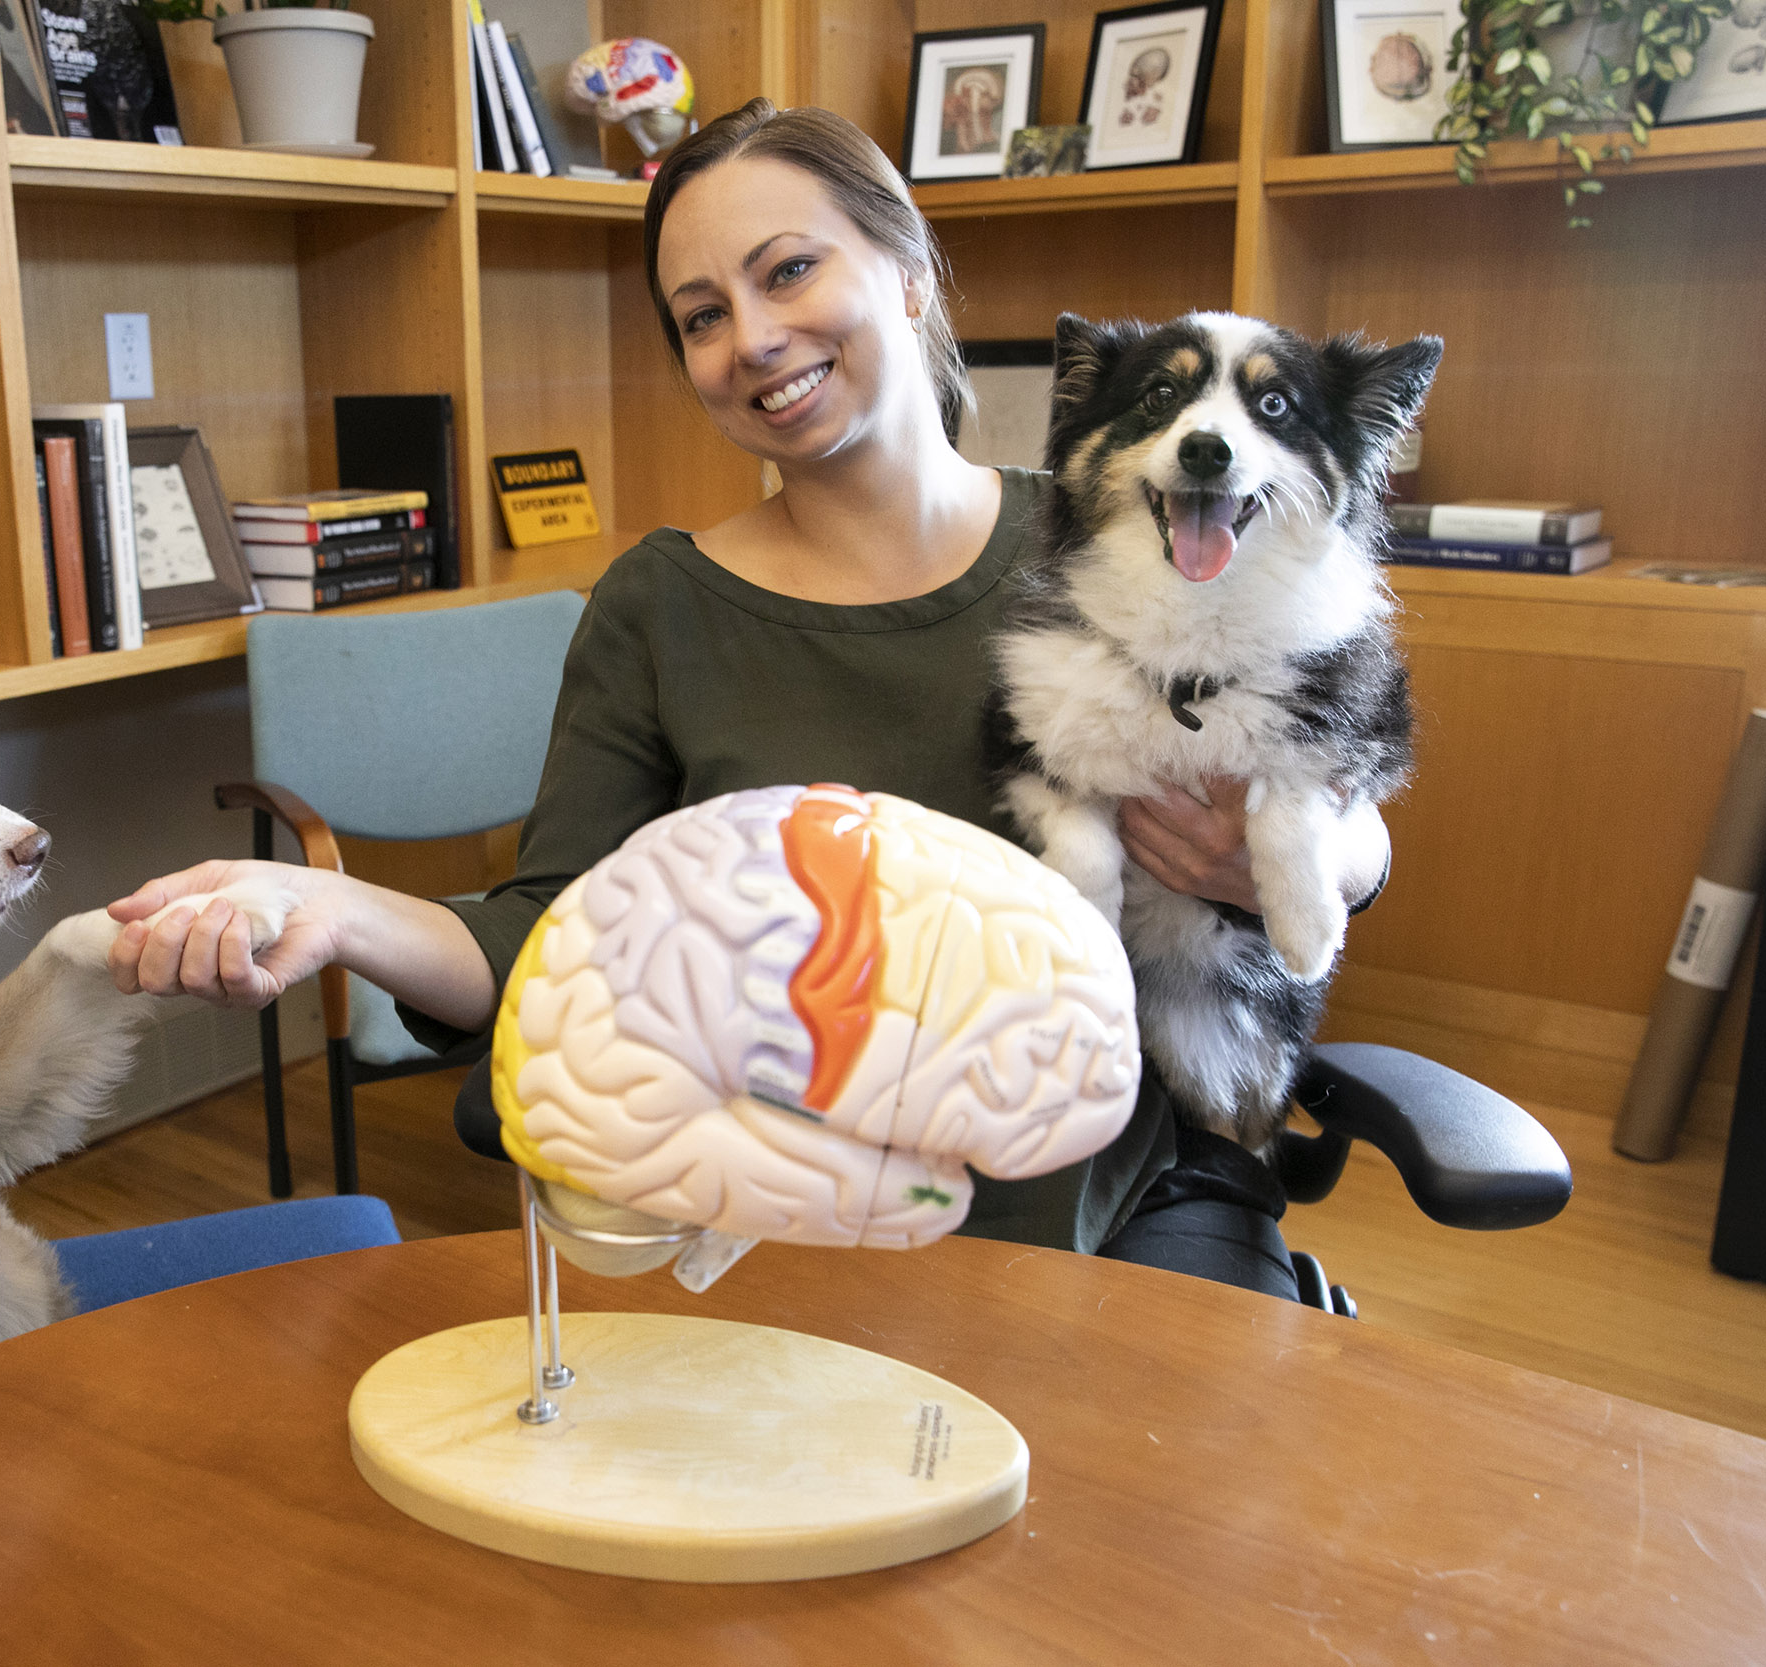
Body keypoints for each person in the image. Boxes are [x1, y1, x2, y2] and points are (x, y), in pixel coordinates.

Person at [103, 100, 1391, 1298]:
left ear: (906, 267)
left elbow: (1326, 767)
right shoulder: (661, 608)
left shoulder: (1127, 534)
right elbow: (557, 930)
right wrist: (334, 907)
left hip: (1120, 1197)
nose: (753, 340)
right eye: (700, 316)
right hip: (799, 1213)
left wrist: (1324, 857)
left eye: (787, 271)